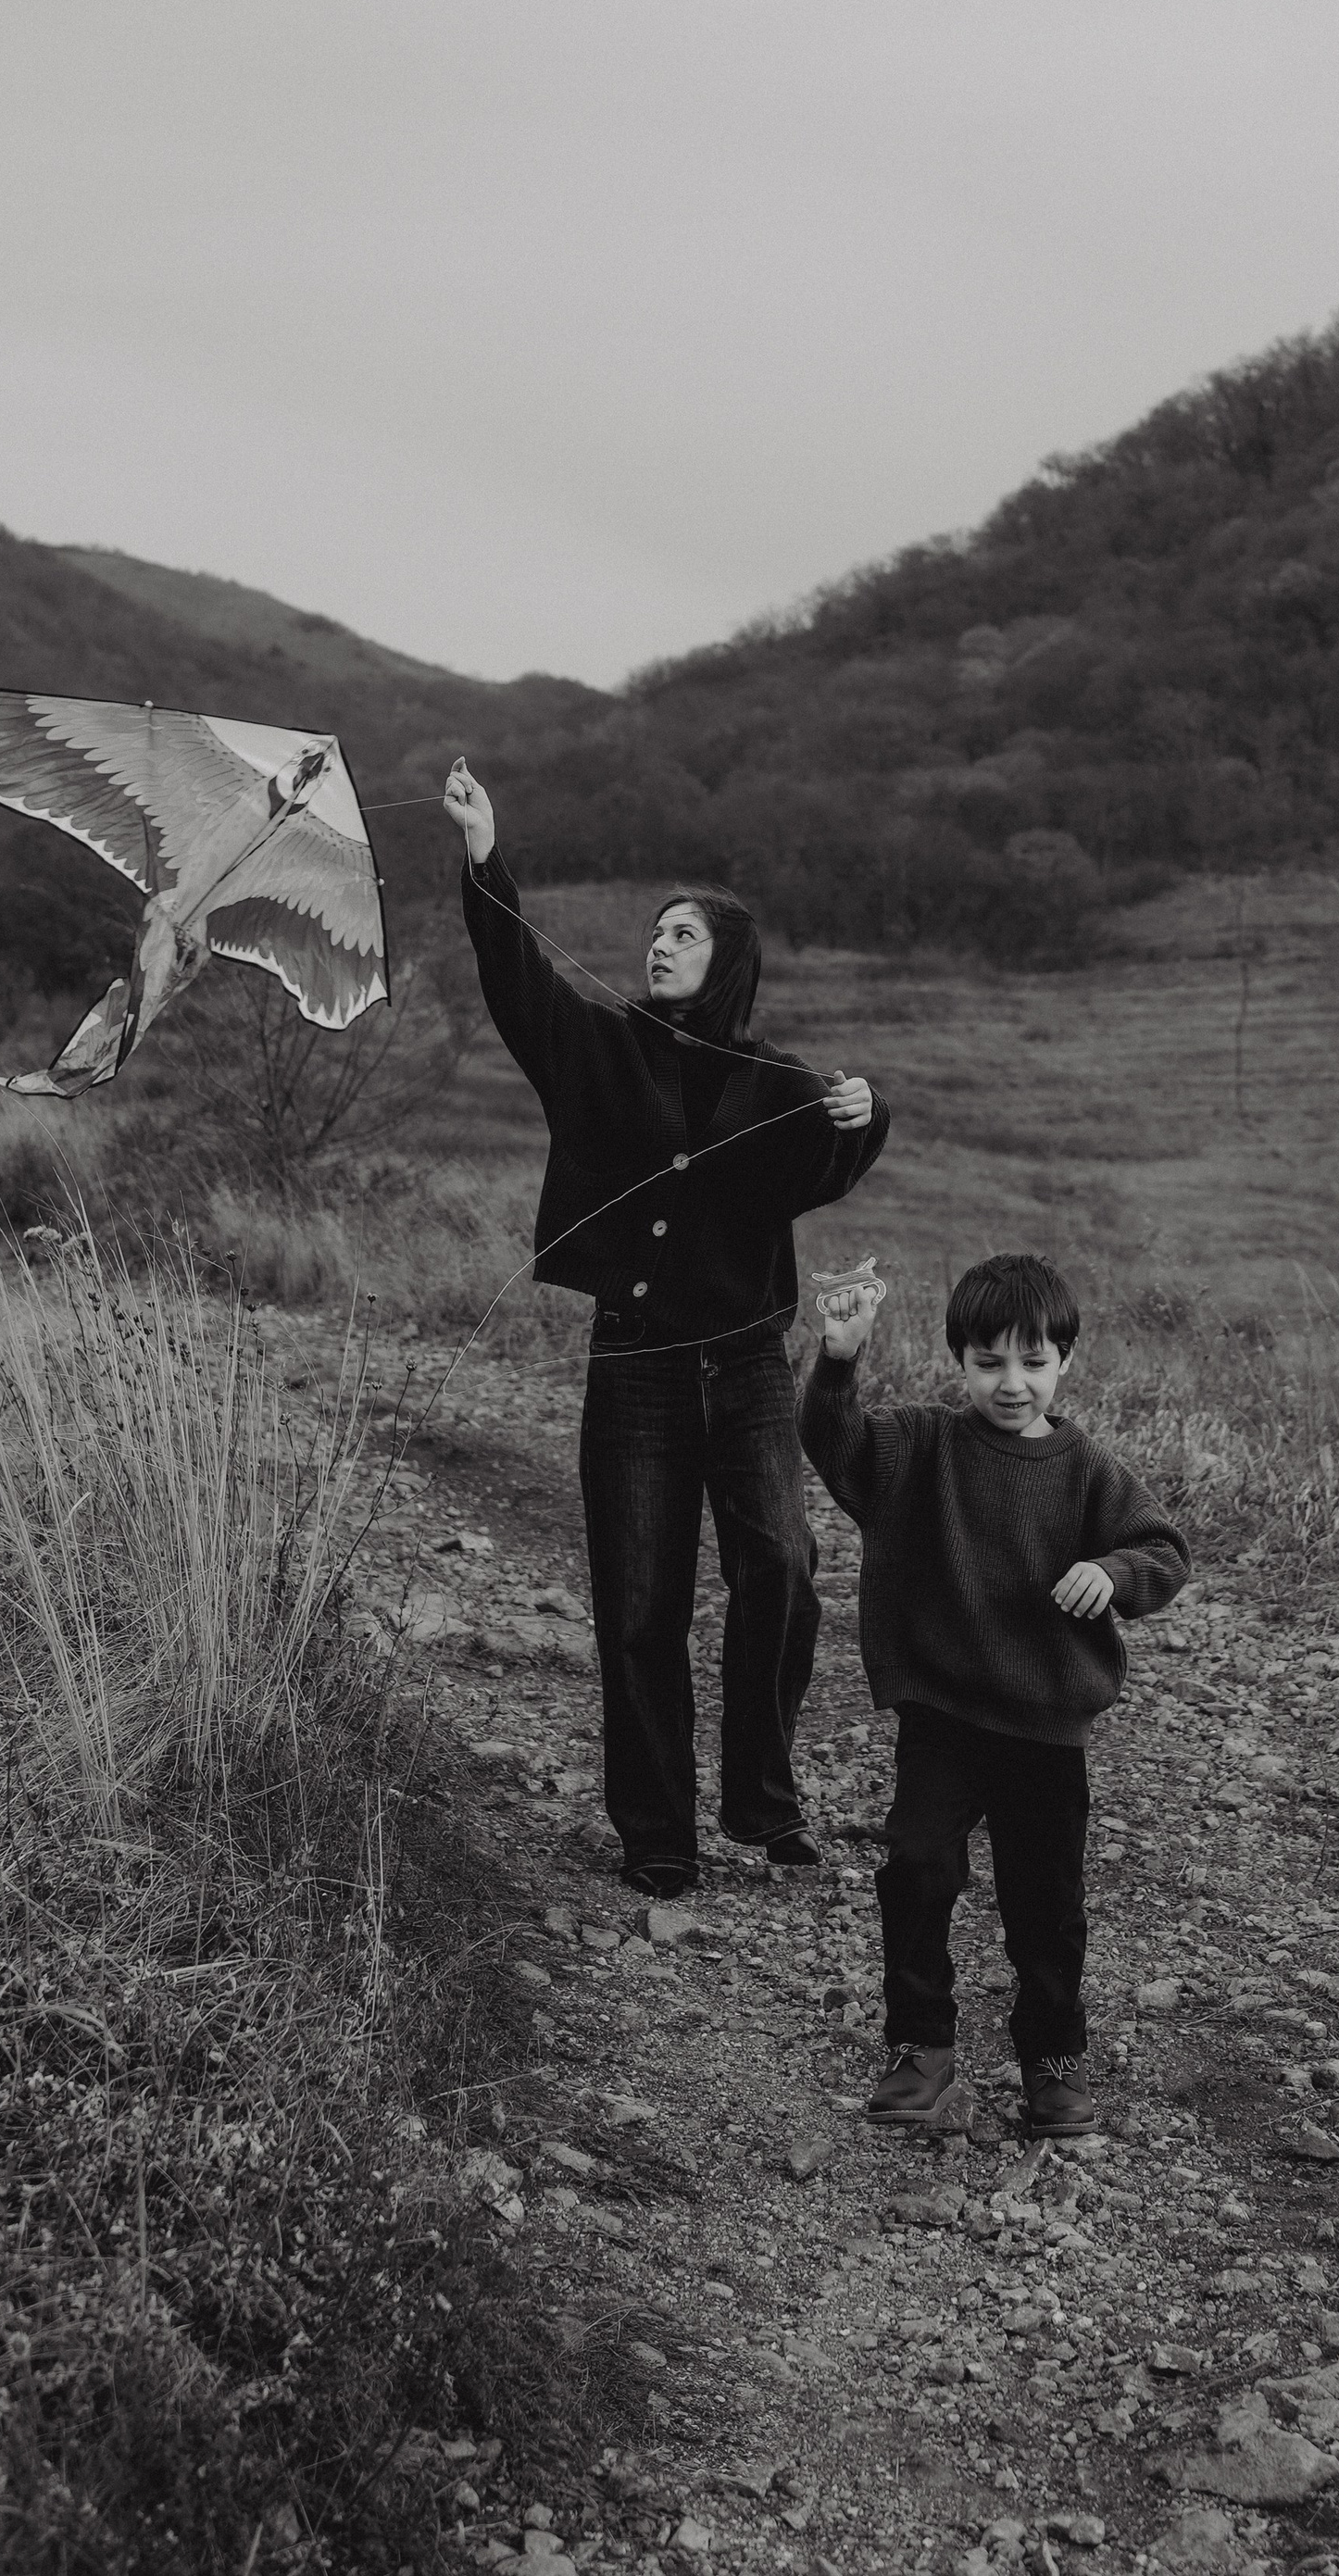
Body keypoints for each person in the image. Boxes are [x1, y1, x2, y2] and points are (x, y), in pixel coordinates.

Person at [444, 757, 890, 1898]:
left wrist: (864, 1111)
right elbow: (517, 978)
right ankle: (657, 1831)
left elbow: (830, 1160)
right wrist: (485, 854)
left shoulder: (778, 1083)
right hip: (634, 1370)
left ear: (726, 959)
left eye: (683, 934)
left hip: (747, 1366)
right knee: (640, 1605)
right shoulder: (598, 1046)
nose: (658, 945)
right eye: (654, 932)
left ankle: (760, 1797)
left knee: (782, 1567)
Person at [797, 1250, 1189, 2134]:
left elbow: (1163, 1551)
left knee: (1046, 1903)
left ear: (1066, 1361)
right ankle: (920, 2045)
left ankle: (1053, 2057)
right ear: (959, 1360)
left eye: (1034, 1361)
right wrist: (839, 1360)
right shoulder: (923, 1444)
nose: (1013, 1383)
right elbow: (835, 1443)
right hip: (943, 1713)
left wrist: (1113, 1571)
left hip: (1047, 1725)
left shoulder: (1088, 1467)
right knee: (916, 1868)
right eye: (989, 1362)